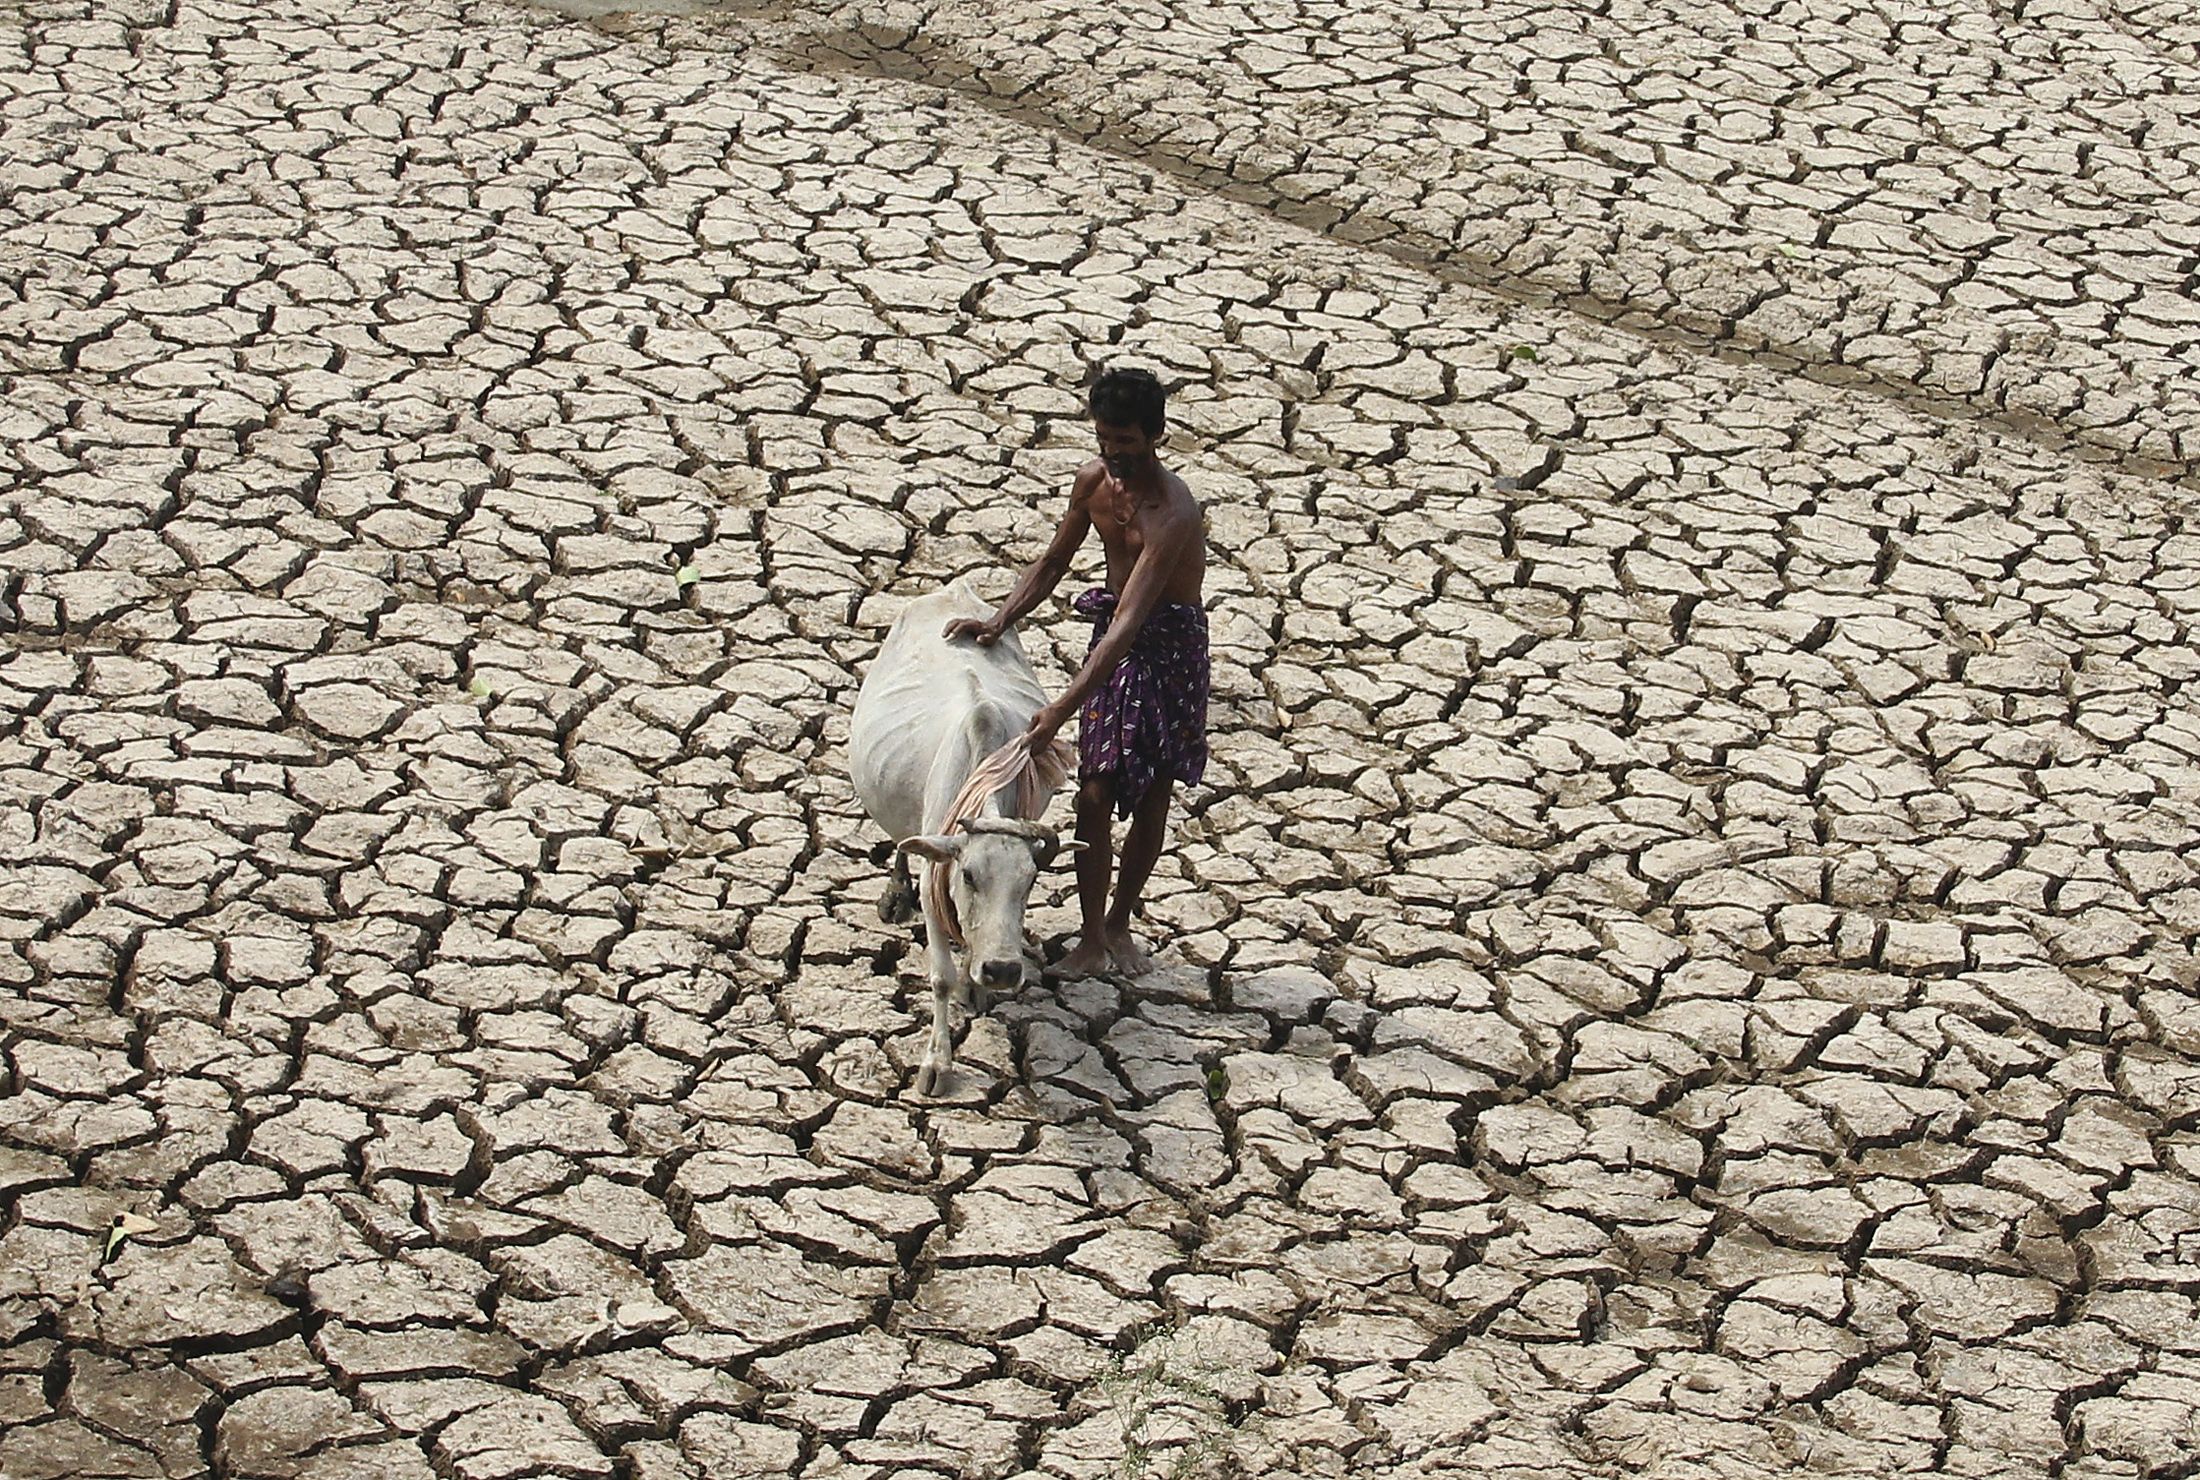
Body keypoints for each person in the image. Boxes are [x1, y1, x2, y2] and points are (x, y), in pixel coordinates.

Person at [943, 366, 1209, 977]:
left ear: (1155, 437)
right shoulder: (1092, 483)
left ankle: (1119, 926)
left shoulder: (1171, 515)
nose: (1115, 455)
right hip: (1113, 646)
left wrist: (1059, 709)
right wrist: (999, 619)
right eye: (1106, 440)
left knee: (1152, 794)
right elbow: (1054, 560)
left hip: (1167, 651)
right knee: (1094, 791)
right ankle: (1090, 938)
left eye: (1128, 443)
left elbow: (1130, 624)